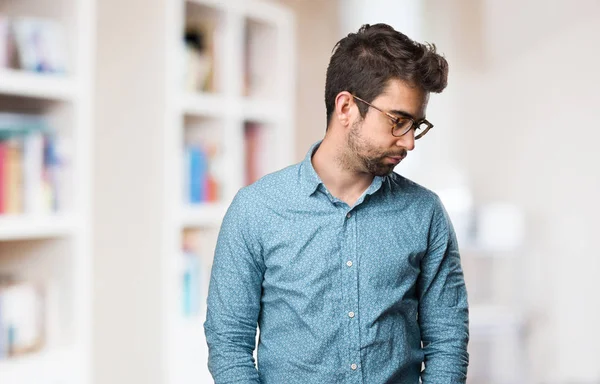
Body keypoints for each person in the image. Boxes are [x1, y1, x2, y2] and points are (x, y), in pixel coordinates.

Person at [204, 23, 469, 383]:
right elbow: (228, 344)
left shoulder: (425, 213)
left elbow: (448, 341)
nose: (409, 143)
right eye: (399, 121)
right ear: (346, 107)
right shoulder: (256, 209)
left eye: (416, 125)